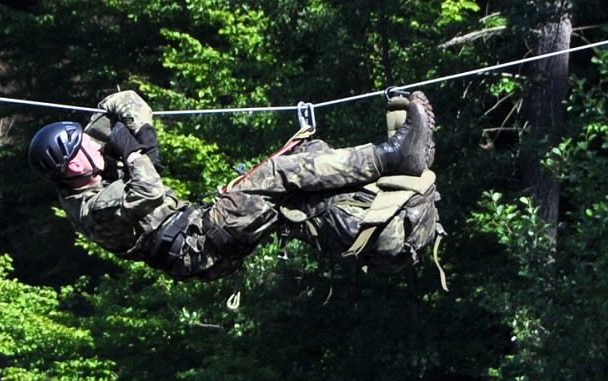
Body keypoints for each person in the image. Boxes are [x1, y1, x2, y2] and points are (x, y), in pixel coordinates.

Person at [28, 90, 443, 280]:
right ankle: (393, 154)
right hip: (201, 247)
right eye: (82, 146)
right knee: (276, 177)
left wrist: (124, 127)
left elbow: (130, 102)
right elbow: (148, 191)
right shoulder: (93, 209)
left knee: (302, 161)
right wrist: (134, 151)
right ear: (72, 167)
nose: (92, 145)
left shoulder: (87, 166)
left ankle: (388, 206)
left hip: (199, 226)